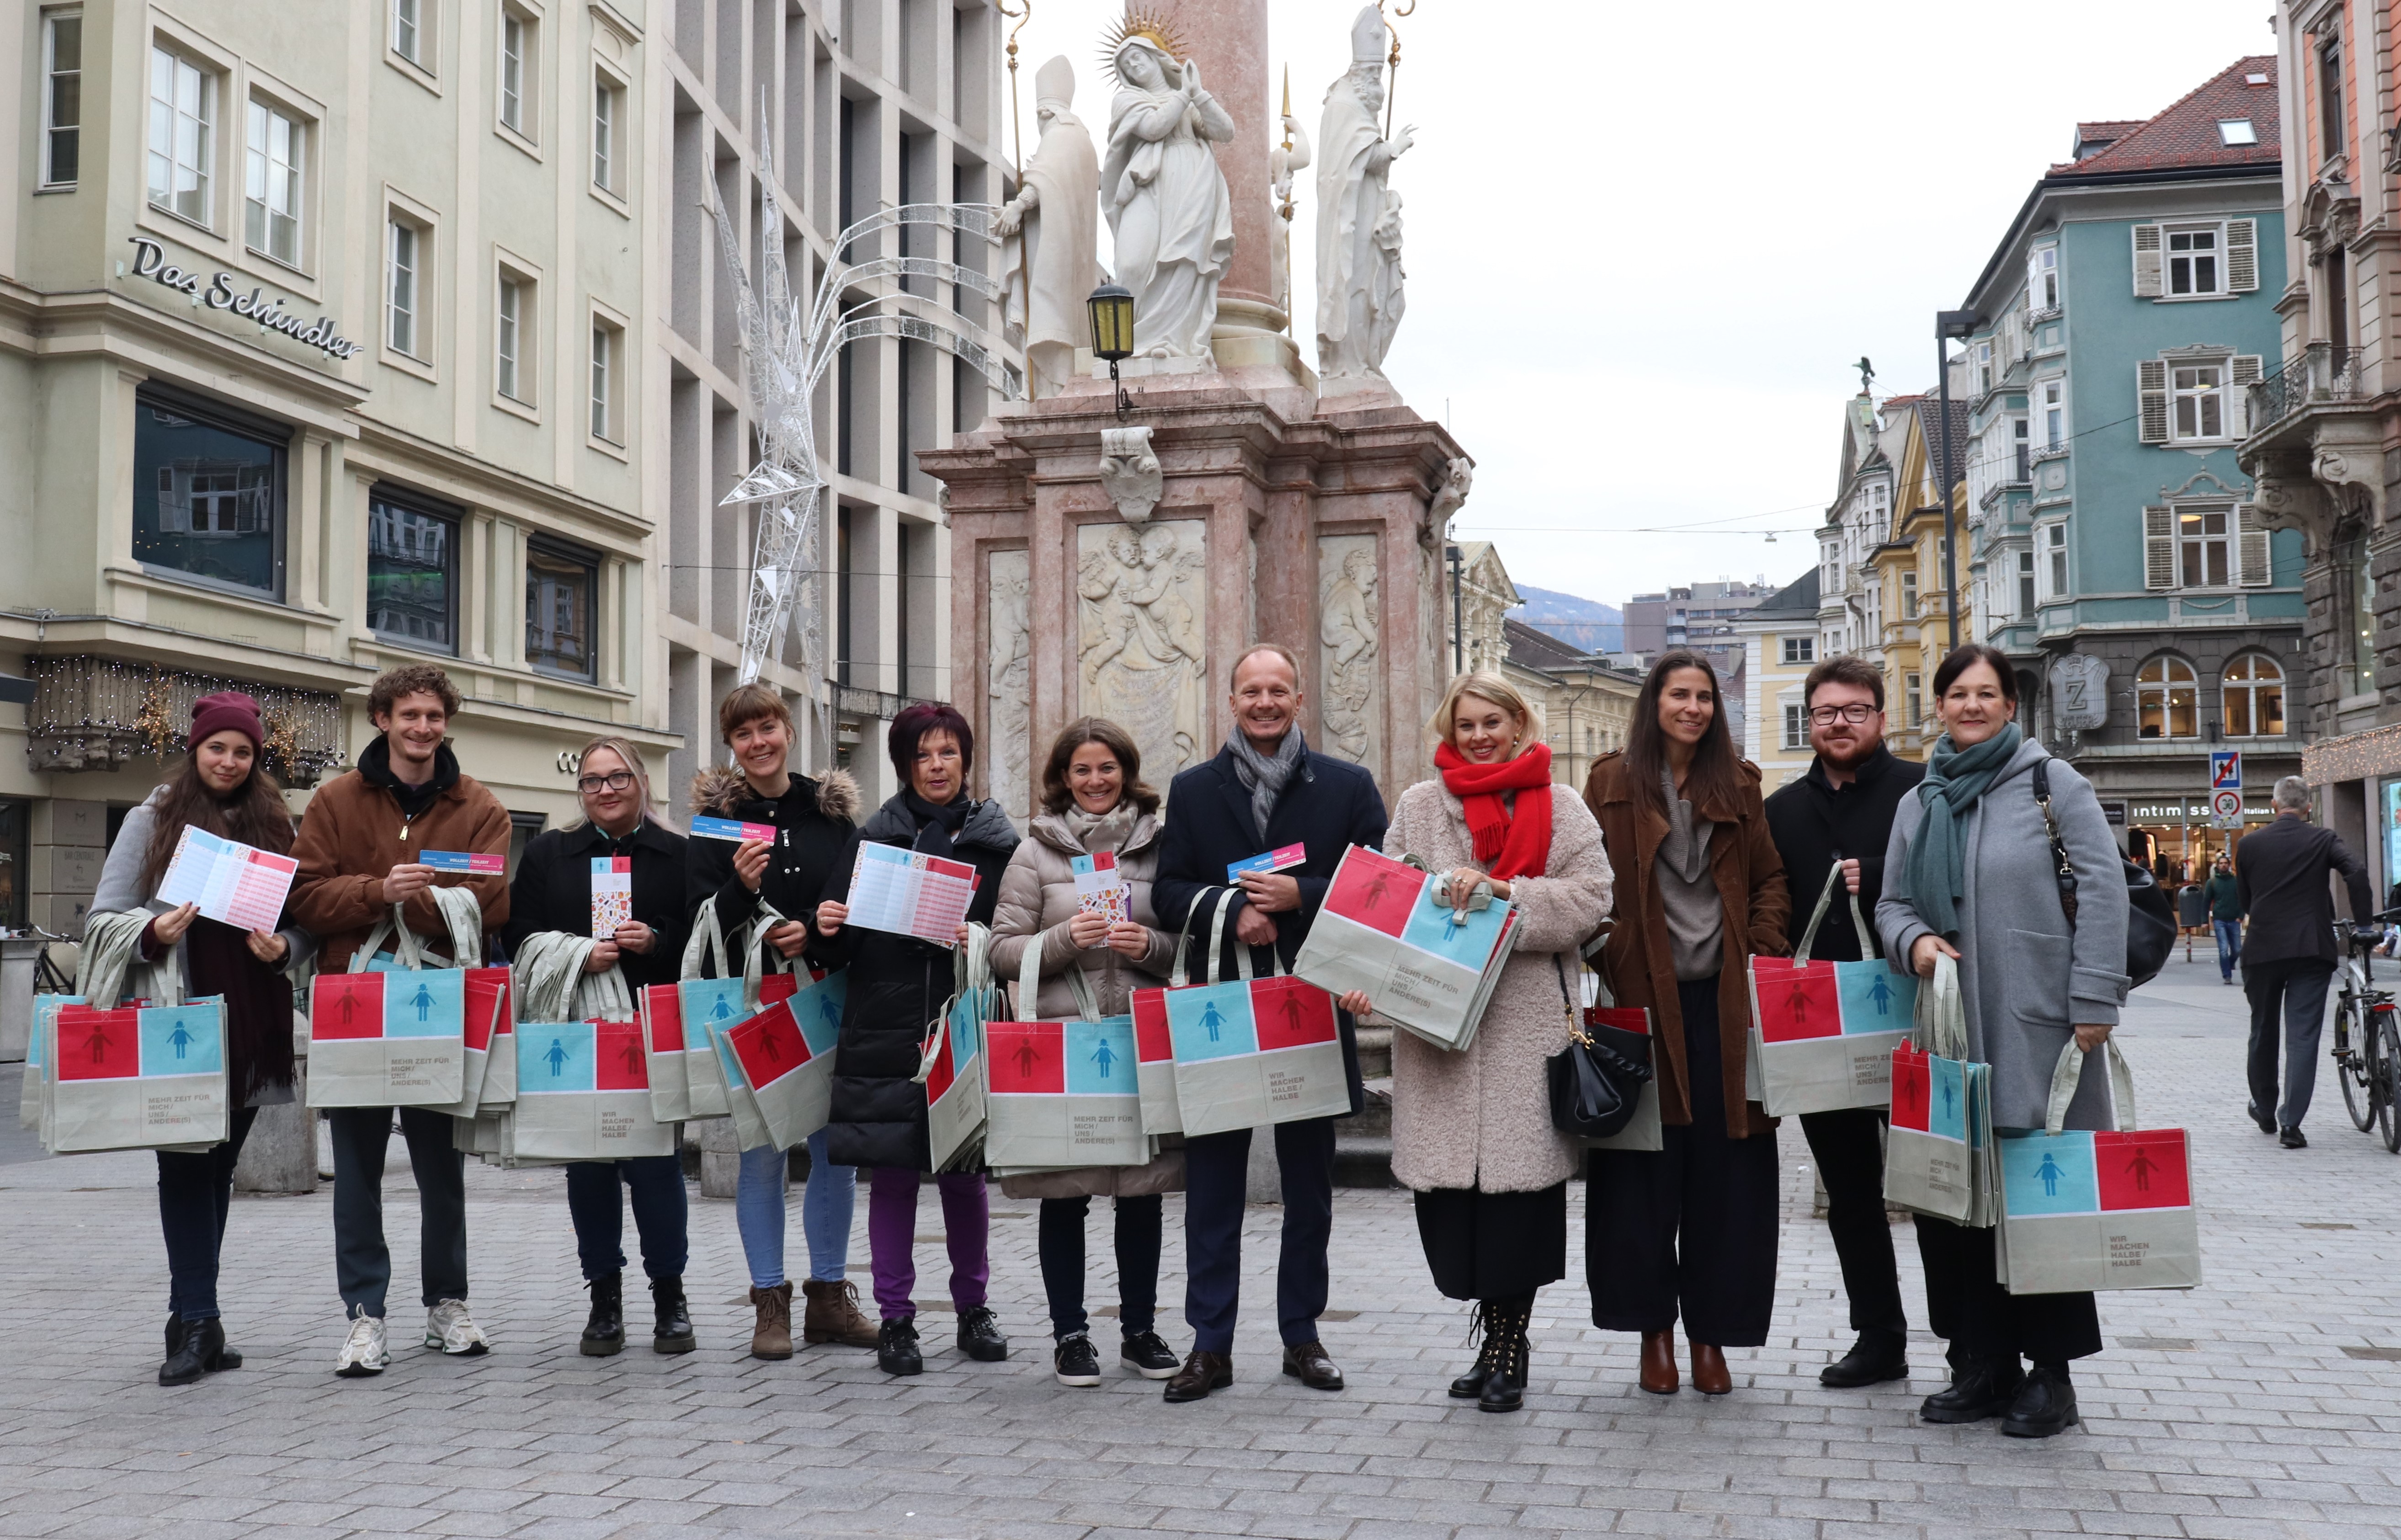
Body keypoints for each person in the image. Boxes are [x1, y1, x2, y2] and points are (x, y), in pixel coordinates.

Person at [1877, 643, 2130, 1439]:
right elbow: (1889, 902)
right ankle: (1978, 1363)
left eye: (1986, 693)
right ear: (1940, 706)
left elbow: (2102, 888)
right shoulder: (1920, 799)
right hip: (1947, 1030)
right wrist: (1912, 939)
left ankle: (2049, 1377)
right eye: (1957, 693)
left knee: (2035, 1197)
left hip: (2036, 1028)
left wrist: (2094, 996)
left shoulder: (2052, 782)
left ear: (2009, 705)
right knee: (1953, 1202)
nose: (1971, 705)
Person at [1344, 673, 1610, 1413]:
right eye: (1467, 724)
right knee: (1451, 1206)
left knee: (1516, 1205)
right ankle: (1487, 1322)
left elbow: (1592, 899)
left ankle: (1505, 1343)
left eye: (1493, 721)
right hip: (1436, 1028)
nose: (1480, 735)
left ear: (1519, 723)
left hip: (1524, 1024)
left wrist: (1506, 894)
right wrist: (1365, 978)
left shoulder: (1560, 804)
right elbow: (1385, 898)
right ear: (1450, 729)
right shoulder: (1419, 805)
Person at [1149, 642, 1389, 1403]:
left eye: (1276, 689)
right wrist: (1234, 909)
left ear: (1297, 699)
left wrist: (1297, 895)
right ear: (1230, 701)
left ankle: (1301, 1336)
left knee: (1308, 1189)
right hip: (1221, 1012)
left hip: (1308, 1006)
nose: (1263, 701)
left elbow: (1377, 880)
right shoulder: (1192, 790)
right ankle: (1208, 1344)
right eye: (1250, 690)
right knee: (1212, 1186)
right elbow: (1166, 892)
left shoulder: (1345, 786)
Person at [89, 693, 318, 1385]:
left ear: (256, 760)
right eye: (218, 747)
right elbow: (103, 917)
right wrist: (153, 933)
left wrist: (287, 948)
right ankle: (197, 1321)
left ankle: (195, 1315)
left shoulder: (276, 824)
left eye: (243, 751)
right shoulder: (152, 817)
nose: (229, 761)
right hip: (178, 1017)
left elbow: (304, 924)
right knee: (185, 1167)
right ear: (196, 750)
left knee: (217, 1171)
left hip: (253, 1019)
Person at [291, 664, 512, 1377]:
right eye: (409, 714)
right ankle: (365, 1316)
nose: (423, 727)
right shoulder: (333, 800)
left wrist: (404, 901)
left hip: (437, 1002)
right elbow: (305, 898)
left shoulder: (479, 806)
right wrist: (379, 889)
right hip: (351, 1001)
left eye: (434, 716)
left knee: (440, 1167)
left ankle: (446, 1303)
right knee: (356, 1168)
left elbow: (491, 902)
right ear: (382, 718)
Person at [1581, 648, 1789, 1398]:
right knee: (1639, 1177)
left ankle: (1712, 1335)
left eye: (1704, 696)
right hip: (1638, 1008)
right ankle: (1653, 1334)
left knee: (1728, 1179)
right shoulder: (1609, 781)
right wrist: (1611, 948)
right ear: (1654, 702)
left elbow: (1768, 877)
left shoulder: (1737, 782)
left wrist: (1762, 944)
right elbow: (1585, 881)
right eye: (1679, 694)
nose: (1693, 707)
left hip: (1727, 1008)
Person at [814, 703, 1021, 1376]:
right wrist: (827, 921)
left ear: (966, 760)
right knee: (894, 1176)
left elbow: (1020, 932)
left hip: (966, 1023)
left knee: (966, 1177)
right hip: (885, 1027)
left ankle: (973, 1309)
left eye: (949, 754)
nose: (937, 766)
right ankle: (897, 1319)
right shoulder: (874, 838)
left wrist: (981, 939)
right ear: (905, 764)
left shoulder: (998, 843)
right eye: (923, 755)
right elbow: (838, 949)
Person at [986, 717, 1187, 1388]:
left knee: (1143, 1193)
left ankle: (1139, 1329)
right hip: (1062, 1046)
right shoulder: (1034, 853)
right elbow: (1000, 953)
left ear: (1126, 773)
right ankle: (1070, 1334)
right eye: (1082, 770)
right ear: (1062, 780)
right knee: (1063, 1195)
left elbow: (1193, 947)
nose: (1096, 781)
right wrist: (1066, 938)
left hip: (1139, 1041)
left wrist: (1151, 948)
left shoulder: (1164, 845)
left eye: (1107, 768)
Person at [686, 683, 879, 1360]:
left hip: (826, 995)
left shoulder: (832, 816)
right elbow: (696, 917)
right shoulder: (715, 822)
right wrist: (739, 888)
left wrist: (819, 937)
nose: (758, 743)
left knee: (834, 1155)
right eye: (743, 735)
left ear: (788, 731)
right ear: (731, 745)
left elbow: (856, 905)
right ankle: (770, 1303)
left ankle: (829, 1297)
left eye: (767, 727)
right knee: (762, 1153)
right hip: (756, 1002)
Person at [1760, 655, 1922, 1391]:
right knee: (1850, 1196)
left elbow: (1955, 888)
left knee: (1940, 1185)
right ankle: (1879, 1335)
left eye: (1854, 710)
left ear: (1879, 718)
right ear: (1809, 721)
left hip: (1915, 1016)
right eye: (1824, 712)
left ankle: (1969, 1344)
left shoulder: (1922, 791)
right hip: (1820, 1029)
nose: (1838, 723)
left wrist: (1883, 872)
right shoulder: (1782, 809)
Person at [505, 736, 695, 1357]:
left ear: (642, 782)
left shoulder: (678, 854)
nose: (605, 790)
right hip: (576, 1030)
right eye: (592, 781)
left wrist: (658, 940)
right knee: (587, 1166)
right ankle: (603, 1299)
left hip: (649, 1029)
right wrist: (577, 953)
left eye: (617, 778)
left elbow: (701, 936)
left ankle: (670, 1295)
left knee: (656, 1165)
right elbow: (520, 939)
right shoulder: (548, 854)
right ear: (579, 790)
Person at [2233, 776, 2376, 1149]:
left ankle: (2264, 1109)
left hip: (2263, 948)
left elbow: (2246, 901)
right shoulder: (2323, 839)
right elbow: (2356, 871)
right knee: (2302, 1036)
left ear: (2272, 804)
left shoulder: (2248, 845)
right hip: (2312, 949)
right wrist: (2362, 925)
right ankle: (2290, 1123)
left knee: (2262, 1029)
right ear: (2308, 807)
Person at [2202, 853, 2244, 986]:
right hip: (2219, 919)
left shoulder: (2236, 881)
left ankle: (2230, 964)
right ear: (2217, 865)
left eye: (2226, 863)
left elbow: (2242, 899)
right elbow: (2206, 901)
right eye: (2221, 863)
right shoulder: (2212, 882)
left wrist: (2241, 916)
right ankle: (2227, 975)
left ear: (2229, 865)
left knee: (2237, 949)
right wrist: (2204, 920)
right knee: (2223, 949)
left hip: (2234, 919)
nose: (2223, 865)